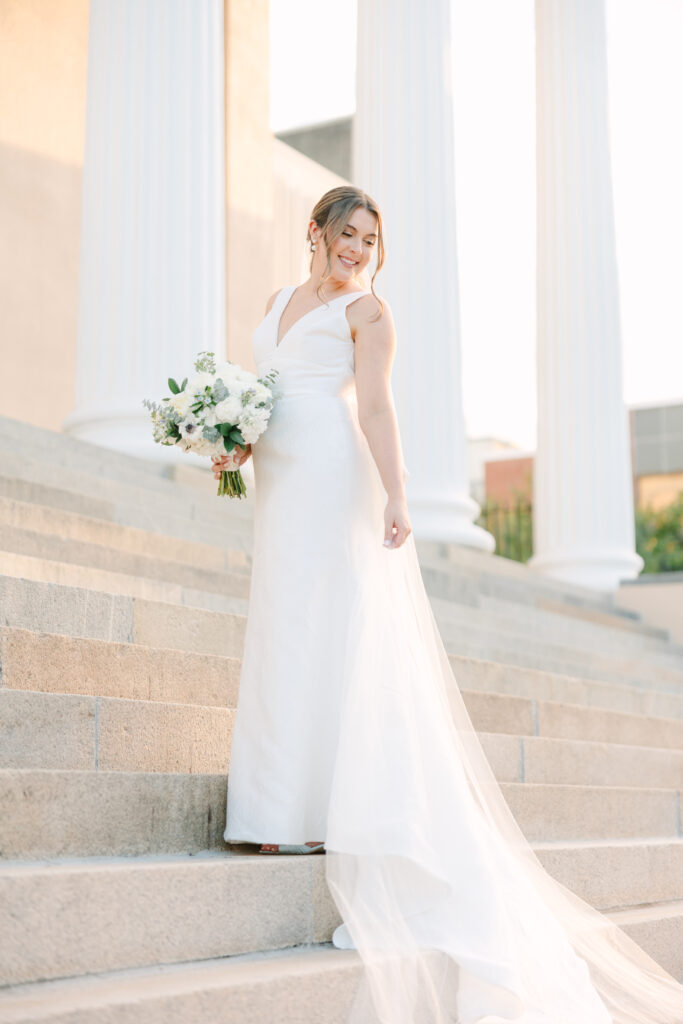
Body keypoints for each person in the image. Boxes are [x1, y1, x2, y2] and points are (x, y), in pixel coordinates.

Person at [215, 186, 683, 1024]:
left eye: (370, 239)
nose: (358, 249)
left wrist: (398, 494)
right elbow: (266, 391)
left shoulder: (369, 313)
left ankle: (319, 811)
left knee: (324, 628)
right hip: (278, 477)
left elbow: (375, 406)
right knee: (283, 629)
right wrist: (232, 443)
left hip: (329, 472)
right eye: (347, 233)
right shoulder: (276, 301)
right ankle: (274, 807)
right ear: (315, 232)